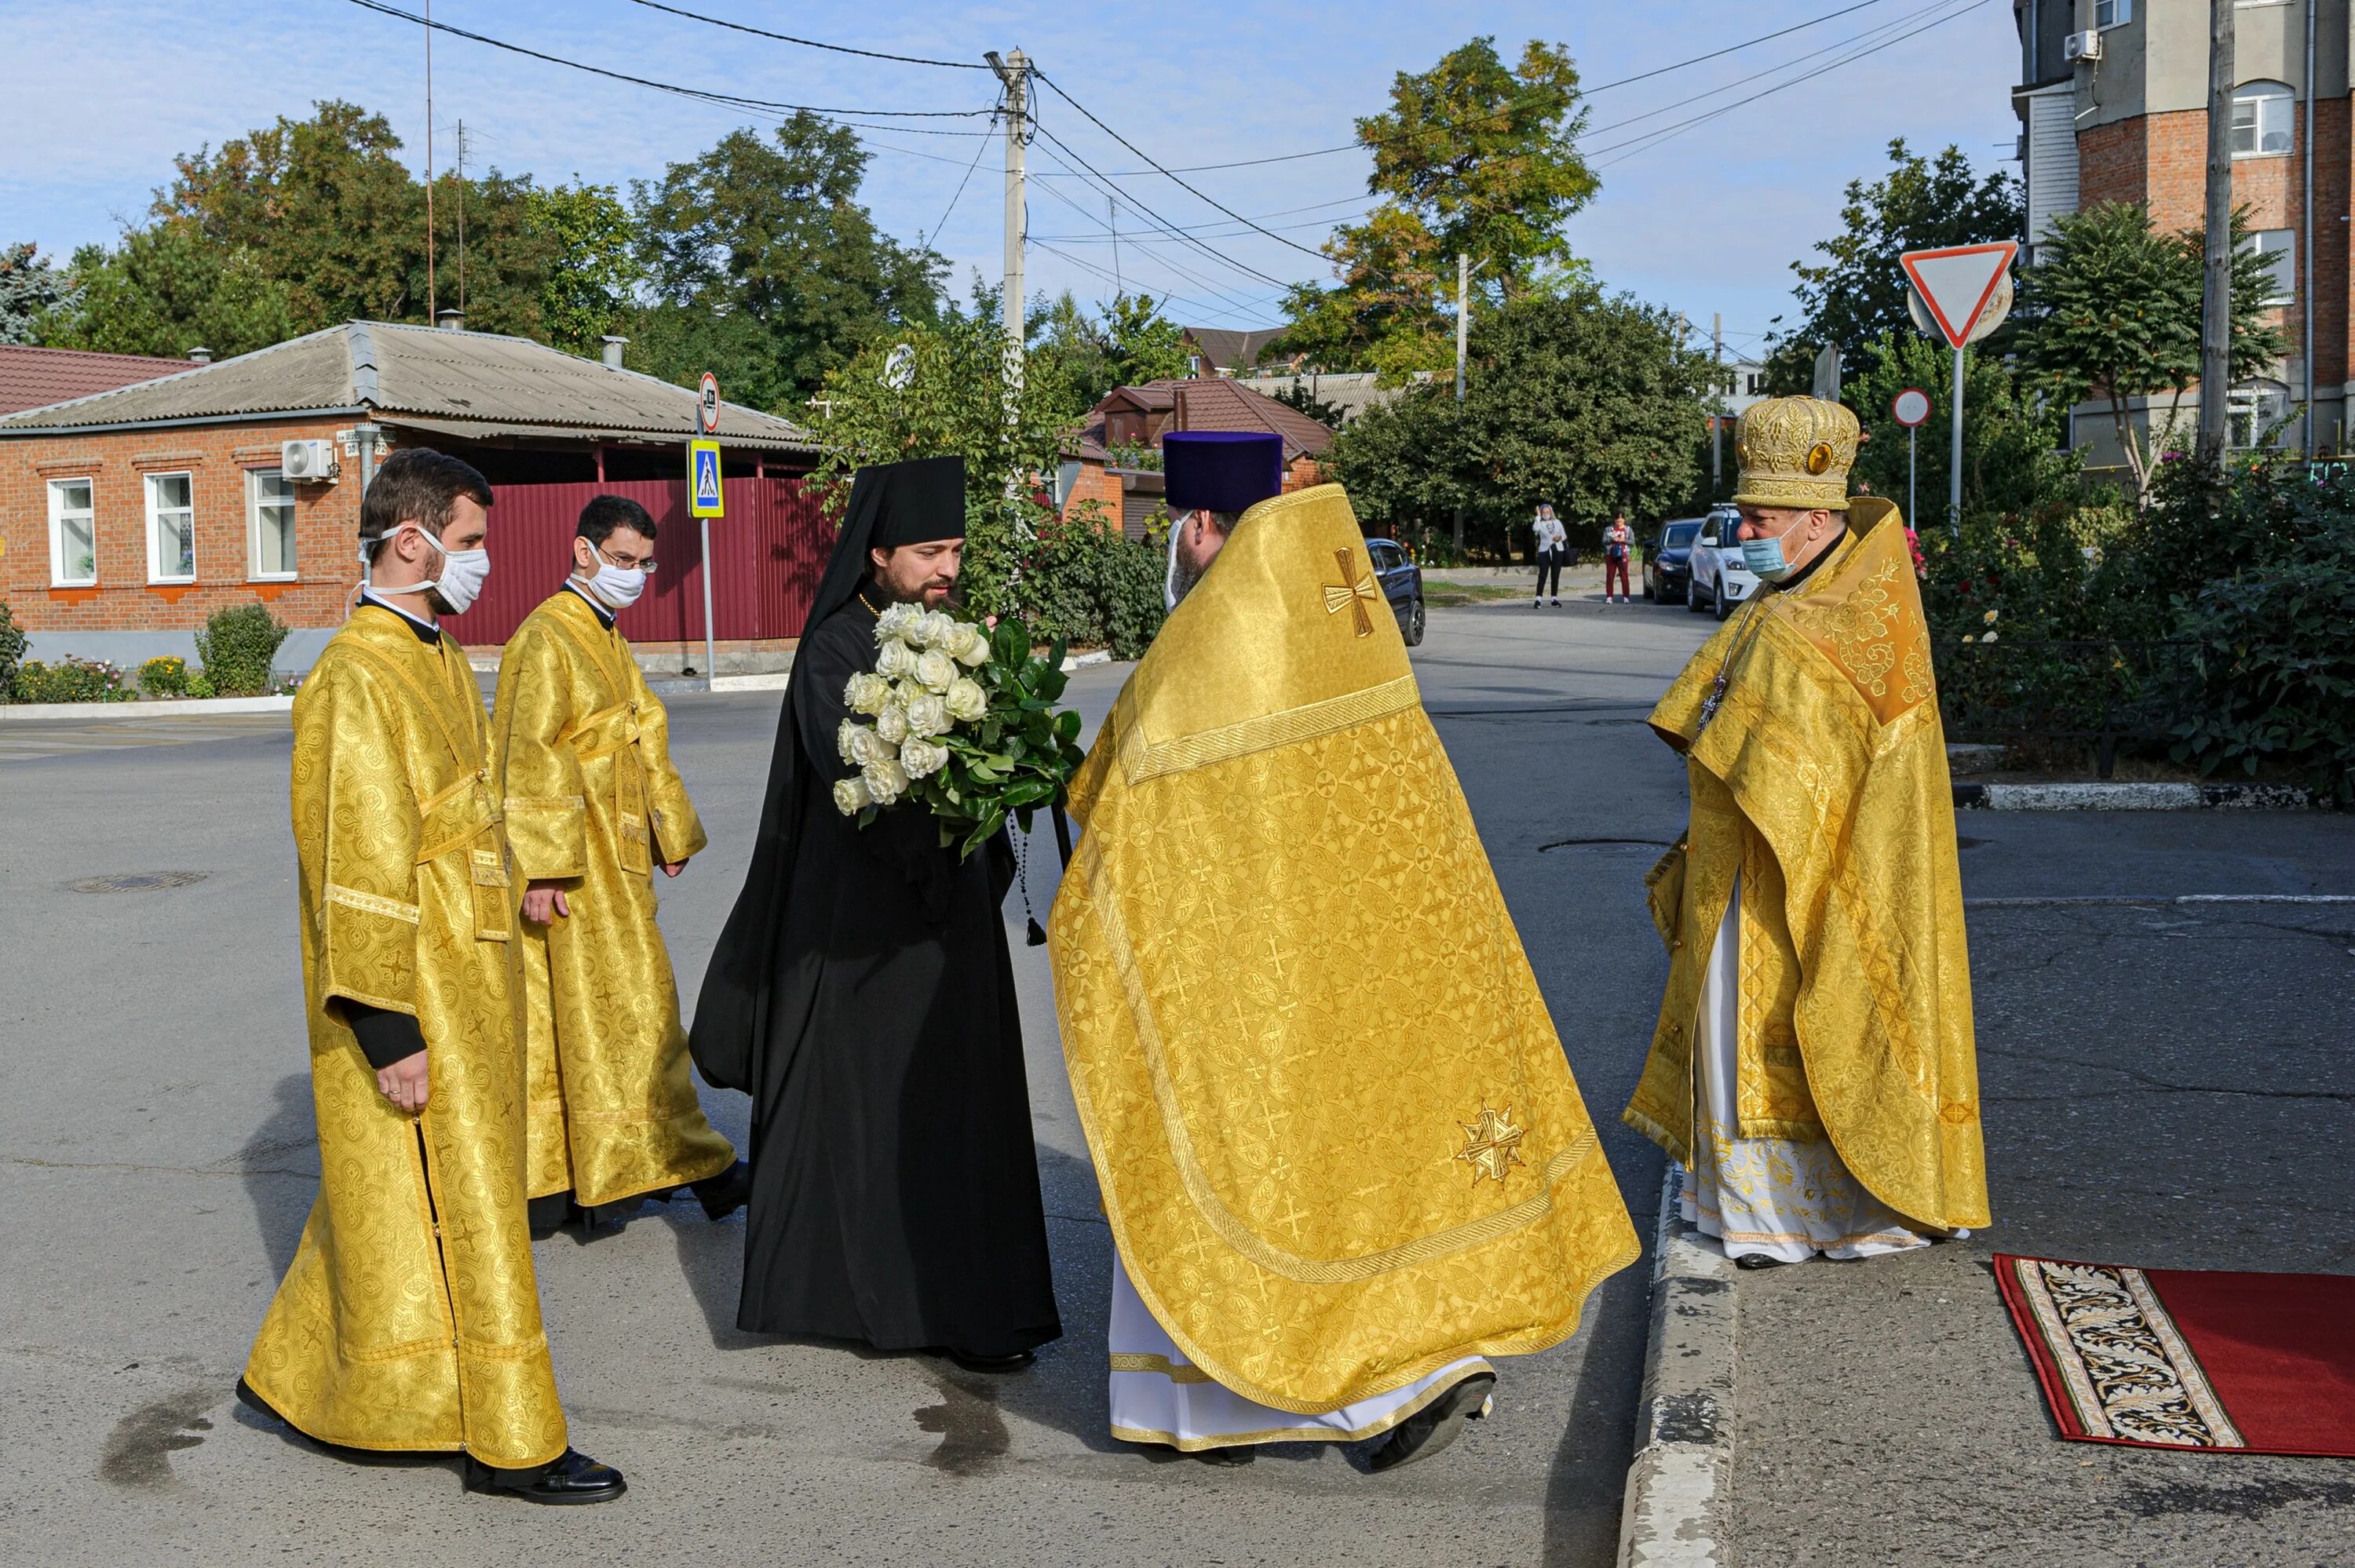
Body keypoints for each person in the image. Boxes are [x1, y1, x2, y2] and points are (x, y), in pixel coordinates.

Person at [1052, 431, 1640, 1470]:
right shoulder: (1346, 627)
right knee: (1349, 1180)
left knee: (1217, 1160)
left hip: (1245, 967)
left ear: (1196, 529)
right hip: (1373, 957)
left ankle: (1283, 1402)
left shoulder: (1206, 644)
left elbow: (1118, 808)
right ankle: (1392, 1368)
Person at [238, 448, 624, 1504]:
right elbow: (350, 865)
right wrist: (384, 1024)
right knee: (463, 1211)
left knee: (401, 1205)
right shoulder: (352, 677)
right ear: (409, 541)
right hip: (416, 997)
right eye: (469, 541)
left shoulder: (436, 654)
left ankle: (306, 1376)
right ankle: (515, 1438)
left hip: (475, 978)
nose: (483, 561)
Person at [690, 455, 1061, 1371]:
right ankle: (892, 1303)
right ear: (878, 553)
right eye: (931, 550)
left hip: (950, 922)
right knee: (881, 1116)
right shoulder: (834, 654)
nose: (948, 569)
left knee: (962, 1110)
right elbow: (854, 779)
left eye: (958, 550)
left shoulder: (946, 634)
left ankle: (975, 1301)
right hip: (868, 933)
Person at [1623, 396, 1990, 1269]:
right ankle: (1751, 1207)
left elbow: (1814, 749)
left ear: (1819, 517)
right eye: (1748, 513)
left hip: (1813, 861)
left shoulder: (1843, 610)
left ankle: (1820, 1214)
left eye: (1762, 517)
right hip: (1747, 854)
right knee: (1735, 1021)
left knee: (1801, 1015)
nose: (1746, 530)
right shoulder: (1792, 596)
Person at [491, 494, 747, 1238]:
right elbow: (527, 755)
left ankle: (623, 1170)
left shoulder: (603, 633)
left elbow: (644, 733)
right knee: (609, 1012)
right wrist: (542, 870)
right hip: (574, 865)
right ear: (584, 551)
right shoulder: (545, 636)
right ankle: (676, 1166)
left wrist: (669, 831)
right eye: (623, 560)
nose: (634, 575)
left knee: (617, 1011)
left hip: (618, 851)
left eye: (643, 563)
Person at [1532, 503, 1567, 607]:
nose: (1546, 514)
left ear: (1551, 512)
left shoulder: (1557, 522)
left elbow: (1564, 536)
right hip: (1545, 550)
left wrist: (1559, 538)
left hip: (1557, 549)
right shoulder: (1540, 523)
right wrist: (1537, 516)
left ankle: (1554, 599)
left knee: (1555, 575)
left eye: (1547, 512)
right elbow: (1535, 529)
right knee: (1543, 575)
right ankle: (1538, 599)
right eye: (1544, 512)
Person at [1602, 511, 1635, 604]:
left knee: (1624, 576)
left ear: (1624, 520)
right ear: (1615, 520)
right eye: (1617, 521)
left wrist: (1623, 540)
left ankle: (1626, 596)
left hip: (1623, 554)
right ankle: (1609, 597)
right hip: (1611, 554)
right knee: (1610, 576)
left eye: (1621, 521)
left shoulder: (1628, 529)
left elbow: (1632, 542)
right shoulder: (1609, 529)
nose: (1619, 523)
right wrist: (1612, 539)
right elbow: (1604, 541)